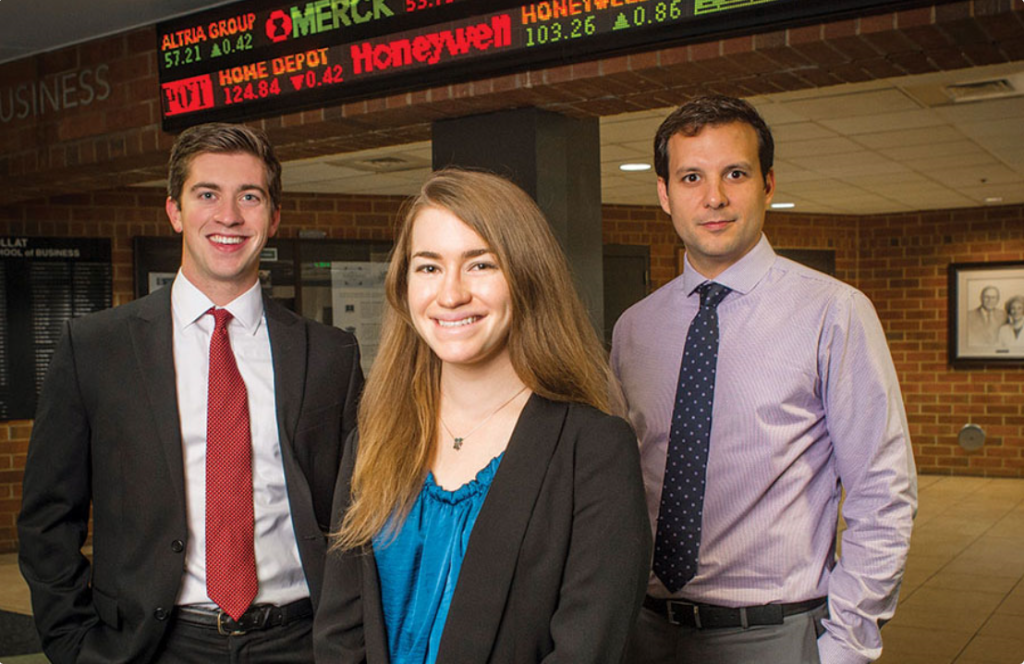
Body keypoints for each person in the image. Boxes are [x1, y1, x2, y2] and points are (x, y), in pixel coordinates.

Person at [18, 123, 364, 664]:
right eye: (207, 195)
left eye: (249, 197)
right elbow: (47, 519)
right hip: (154, 646)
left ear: (272, 217)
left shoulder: (330, 355)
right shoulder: (95, 349)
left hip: (302, 639)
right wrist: (75, 646)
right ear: (175, 211)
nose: (228, 216)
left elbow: (359, 514)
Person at [611, 96, 917, 664]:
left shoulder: (834, 313)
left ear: (768, 184)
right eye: (691, 177)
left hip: (775, 635)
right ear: (664, 194)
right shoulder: (634, 329)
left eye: (735, 173)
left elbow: (883, 494)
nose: (714, 198)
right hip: (643, 631)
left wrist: (847, 645)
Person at [313, 168, 651, 664]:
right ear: (403, 286)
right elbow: (339, 636)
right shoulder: (373, 440)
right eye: (428, 267)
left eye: (480, 265)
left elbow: (587, 649)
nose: (450, 295)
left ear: (526, 276)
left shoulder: (594, 449)